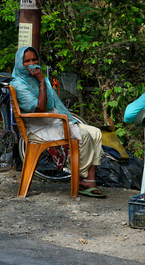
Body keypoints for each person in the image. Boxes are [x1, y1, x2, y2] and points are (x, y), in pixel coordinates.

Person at [11, 46, 106, 198]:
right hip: (39, 127)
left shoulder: (42, 80)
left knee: (96, 133)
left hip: (53, 120)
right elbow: (41, 107)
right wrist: (41, 80)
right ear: (19, 63)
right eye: (27, 61)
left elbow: (54, 104)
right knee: (84, 135)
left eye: (34, 60)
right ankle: (80, 177)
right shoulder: (19, 84)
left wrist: (43, 82)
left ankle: (89, 180)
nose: (32, 64)